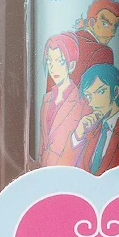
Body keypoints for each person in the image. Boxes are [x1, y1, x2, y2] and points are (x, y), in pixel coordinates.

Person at [63, 63, 119, 174]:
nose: (93, 102)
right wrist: (78, 135)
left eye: (100, 92)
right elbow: (67, 166)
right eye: (89, 96)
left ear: (115, 92)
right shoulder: (90, 129)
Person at [47, 0, 119, 93]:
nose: (112, 33)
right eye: (105, 24)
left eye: (114, 27)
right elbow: (103, 96)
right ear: (91, 23)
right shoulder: (103, 52)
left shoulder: (63, 43)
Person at [39, 33, 90, 166]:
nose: (53, 68)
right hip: (45, 171)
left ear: (71, 65)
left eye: (60, 61)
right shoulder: (47, 100)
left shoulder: (81, 102)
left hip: (70, 171)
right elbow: (43, 144)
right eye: (49, 61)